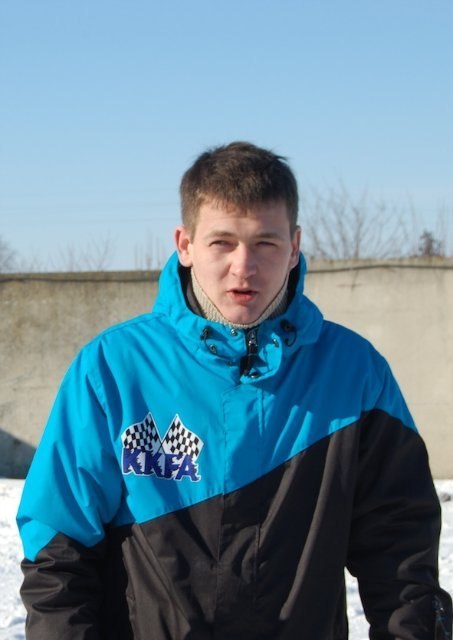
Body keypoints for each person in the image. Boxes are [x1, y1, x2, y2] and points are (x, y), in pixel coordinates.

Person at [17, 141, 452, 640]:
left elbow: (401, 555)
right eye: (222, 242)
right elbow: (58, 553)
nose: (244, 267)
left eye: (266, 243)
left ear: (294, 247)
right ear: (184, 245)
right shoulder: (113, 369)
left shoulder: (356, 374)